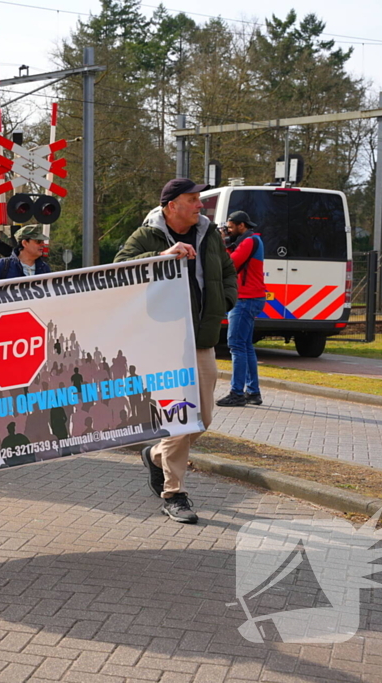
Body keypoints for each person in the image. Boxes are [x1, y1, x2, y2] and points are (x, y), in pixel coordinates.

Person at [115, 178, 236, 524]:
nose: (201, 205)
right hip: (163, 341)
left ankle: (154, 454)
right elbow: (120, 269)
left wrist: (225, 300)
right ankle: (175, 492)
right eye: (193, 199)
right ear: (171, 206)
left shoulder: (209, 233)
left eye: (200, 199)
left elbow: (227, 271)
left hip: (201, 337)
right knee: (180, 416)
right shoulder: (146, 235)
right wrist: (161, 256)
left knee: (203, 417)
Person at [217, 210, 267, 407]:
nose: (228, 231)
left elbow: (231, 264)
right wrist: (229, 242)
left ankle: (237, 393)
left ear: (241, 226)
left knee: (236, 345)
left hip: (245, 299)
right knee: (245, 346)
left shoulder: (249, 241)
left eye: (230, 227)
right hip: (249, 298)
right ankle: (253, 392)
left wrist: (223, 243)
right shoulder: (249, 241)